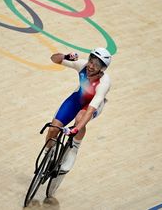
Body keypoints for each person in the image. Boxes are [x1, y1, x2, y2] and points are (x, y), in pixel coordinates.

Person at [45, 47, 112, 176]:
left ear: (102, 69)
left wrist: (76, 129)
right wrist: (65, 56)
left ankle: (74, 148)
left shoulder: (104, 83)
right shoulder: (83, 65)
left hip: (92, 105)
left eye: (96, 65)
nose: (91, 66)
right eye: (91, 61)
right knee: (53, 128)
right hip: (78, 98)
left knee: (80, 118)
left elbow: (91, 109)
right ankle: (48, 153)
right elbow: (54, 59)